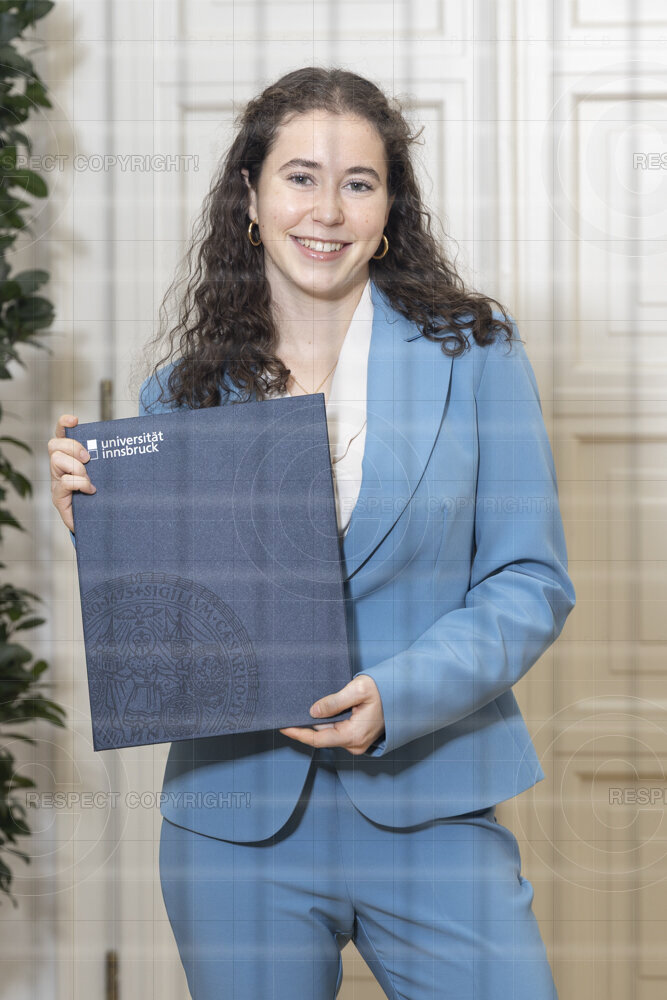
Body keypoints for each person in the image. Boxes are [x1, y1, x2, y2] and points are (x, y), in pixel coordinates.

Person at [49, 67, 575, 1000]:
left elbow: (529, 580)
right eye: (300, 177)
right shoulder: (180, 395)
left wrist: (398, 694)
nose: (326, 211)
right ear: (250, 198)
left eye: (357, 183)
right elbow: (175, 623)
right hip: (236, 824)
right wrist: (102, 530)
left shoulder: (475, 355)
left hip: (433, 801)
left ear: (388, 208)